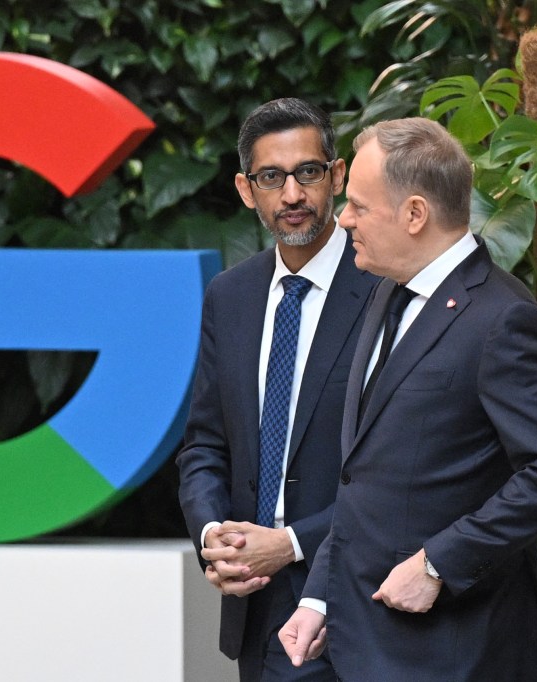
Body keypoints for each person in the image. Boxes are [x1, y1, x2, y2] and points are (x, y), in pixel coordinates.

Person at [277, 117, 537, 681]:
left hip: (457, 653)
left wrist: (439, 564)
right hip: (362, 645)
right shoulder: (383, 293)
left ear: (415, 214)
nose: (343, 218)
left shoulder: (504, 318)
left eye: (360, 207)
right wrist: (319, 596)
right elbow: (362, 477)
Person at [177, 98, 377, 681]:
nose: (292, 195)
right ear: (246, 189)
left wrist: (291, 542)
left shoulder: (383, 289)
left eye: (308, 172)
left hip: (355, 598)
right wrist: (216, 536)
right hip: (254, 606)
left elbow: (401, 470)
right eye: (271, 177)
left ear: (337, 177)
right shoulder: (229, 296)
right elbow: (205, 446)